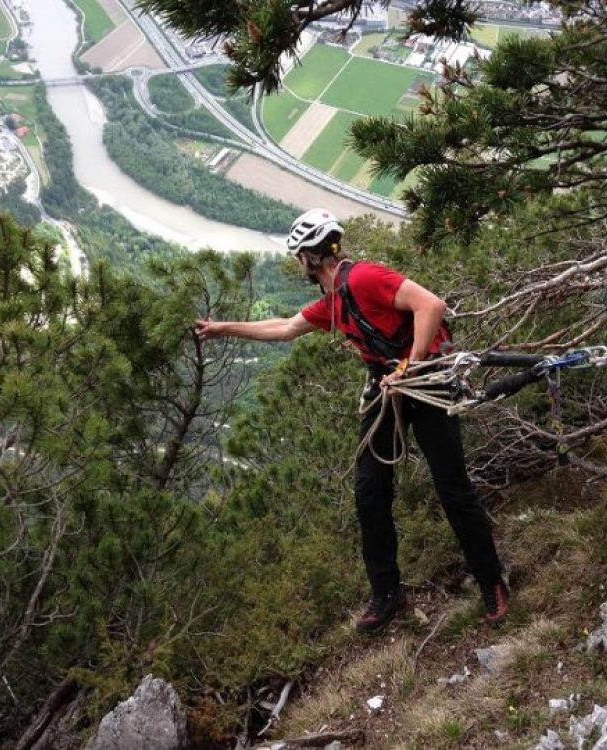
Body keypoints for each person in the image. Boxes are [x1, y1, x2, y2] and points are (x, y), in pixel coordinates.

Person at [195, 209, 509, 632]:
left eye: (297, 258)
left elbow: (431, 305)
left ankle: (491, 581)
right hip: (386, 389)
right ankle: (387, 593)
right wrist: (224, 329)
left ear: (307, 257)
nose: (297, 264)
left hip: (425, 381)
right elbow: (287, 328)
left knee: (452, 488)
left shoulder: (362, 279)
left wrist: (410, 367)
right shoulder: (335, 299)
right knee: (369, 493)